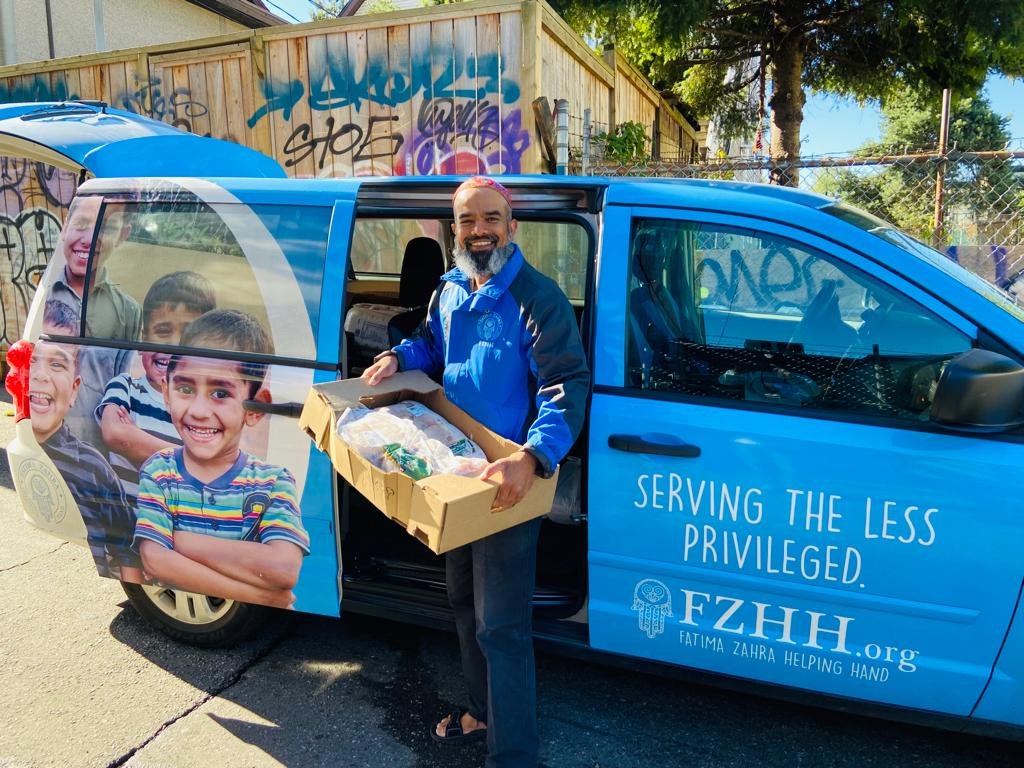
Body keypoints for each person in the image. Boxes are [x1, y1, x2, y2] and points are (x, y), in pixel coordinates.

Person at [361, 176, 590, 768]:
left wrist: (534, 457)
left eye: (491, 218)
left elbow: (566, 385)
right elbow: (429, 345)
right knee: (464, 602)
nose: (479, 230)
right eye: (467, 220)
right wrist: (397, 357)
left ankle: (513, 756)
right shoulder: (451, 291)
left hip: (508, 480)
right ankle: (483, 712)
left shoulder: (538, 298)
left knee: (503, 627)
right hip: (456, 472)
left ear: (512, 227)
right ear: (454, 229)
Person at [133, 309, 308, 610]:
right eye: (185, 389)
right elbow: (154, 559)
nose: (199, 410)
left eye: (220, 393)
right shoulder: (159, 471)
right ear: (166, 391)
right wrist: (265, 596)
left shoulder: (273, 481)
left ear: (256, 408)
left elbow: (283, 570)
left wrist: (178, 540)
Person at [31, 299, 143, 582]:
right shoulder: (25, 454)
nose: (41, 375)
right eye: (33, 361)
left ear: (74, 389)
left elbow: (127, 548)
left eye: (57, 364)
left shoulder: (93, 468)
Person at [97, 271, 217, 499]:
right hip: (130, 518)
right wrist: (190, 459)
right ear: (143, 341)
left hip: (183, 522)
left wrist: (135, 438)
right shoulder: (125, 386)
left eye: (188, 334)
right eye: (163, 331)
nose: (174, 345)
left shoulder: (206, 405)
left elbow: (213, 465)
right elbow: (114, 433)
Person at [48, 196, 142, 447]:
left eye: (106, 228)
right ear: (65, 228)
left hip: (98, 453)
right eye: (81, 224)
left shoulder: (128, 311)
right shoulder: (42, 299)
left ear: (123, 235)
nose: (90, 239)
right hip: (44, 444)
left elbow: (125, 388)